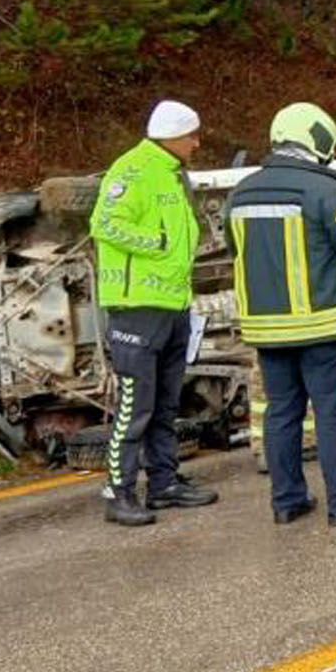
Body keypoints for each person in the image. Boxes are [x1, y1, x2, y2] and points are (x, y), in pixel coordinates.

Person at [226, 103, 336, 527]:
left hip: (269, 331)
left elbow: (239, 255)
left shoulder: (240, 194)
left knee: (281, 413)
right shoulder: (329, 192)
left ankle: (287, 502)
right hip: (326, 327)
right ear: (315, 140)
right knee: (332, 415)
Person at [90, 100, 220, 526]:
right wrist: (159, 243)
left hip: (172, 306)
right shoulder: (132, 170)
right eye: (193, 135)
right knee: (135, 404)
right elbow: (104, 224)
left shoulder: (171, 174)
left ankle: (163, 483)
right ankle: (119, 491)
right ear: (173, 135)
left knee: (165, 402)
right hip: (136, 309)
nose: (198, 143)